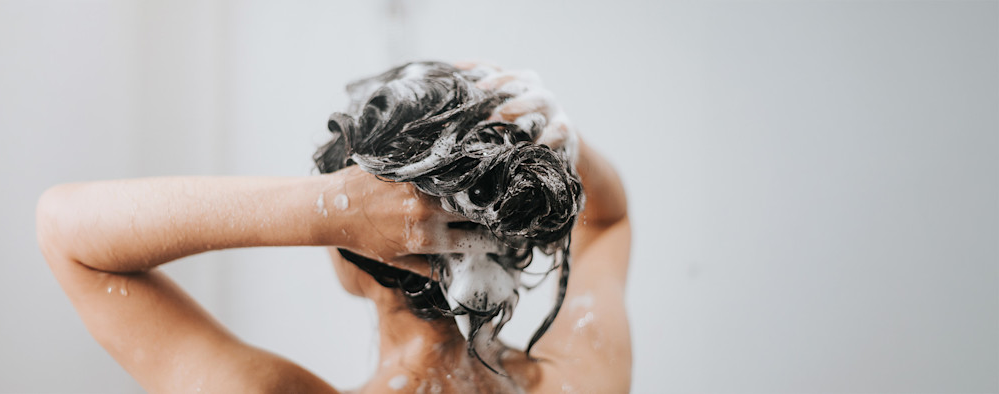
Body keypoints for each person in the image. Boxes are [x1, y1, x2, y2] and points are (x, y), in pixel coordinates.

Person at [36, 61, 631, 393]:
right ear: (514, 237)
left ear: (353, 257)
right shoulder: (584, 378)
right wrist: (546, 126)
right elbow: (609, 218)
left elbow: (67, 234)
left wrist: (329, 208)